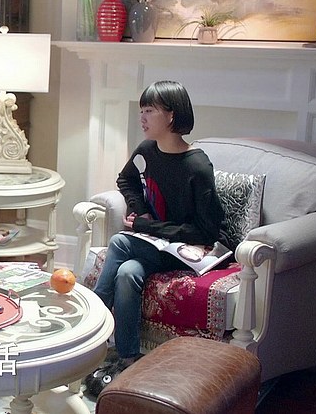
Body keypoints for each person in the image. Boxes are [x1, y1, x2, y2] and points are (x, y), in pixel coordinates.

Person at [83, 80, 224, 397]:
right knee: (126, 272)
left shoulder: (197, 165)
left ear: (171, 116)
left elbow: (206, 231)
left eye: (149, 111)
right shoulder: (147, 151)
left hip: (188, 250)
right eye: (141, 111)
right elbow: (126, 180)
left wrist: (149, 227)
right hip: (153, 246)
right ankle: (128, 358)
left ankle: (90, 318)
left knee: (120, 242)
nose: (142, 118)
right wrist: (139, 210)